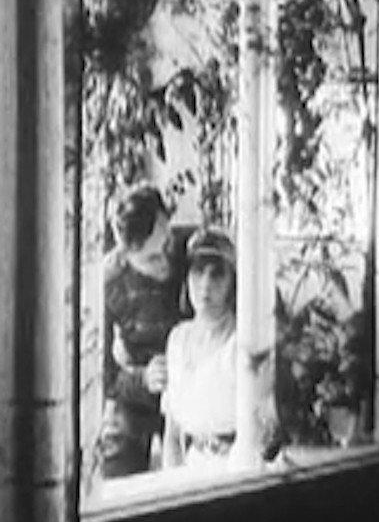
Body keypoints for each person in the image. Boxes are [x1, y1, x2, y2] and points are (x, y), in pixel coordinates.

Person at [161, 226, 282, 473]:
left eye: (217, 274)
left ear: (232, 283)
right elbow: (172, 434)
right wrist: (171, 481)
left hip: (233, 469)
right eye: (198, 271)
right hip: (191, 466)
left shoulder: (242, 344)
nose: (205, 285)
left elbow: (267, 431)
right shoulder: (177, 339)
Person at [99, 182, 186, 478]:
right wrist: (142, 379)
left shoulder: (188, 249)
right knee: (117, 479)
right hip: (139, 393)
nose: (165, 261)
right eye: (151, 258)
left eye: (167, 243)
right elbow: (101, 374)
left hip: (190, 385)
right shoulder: (108, 282)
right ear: (125, 255)